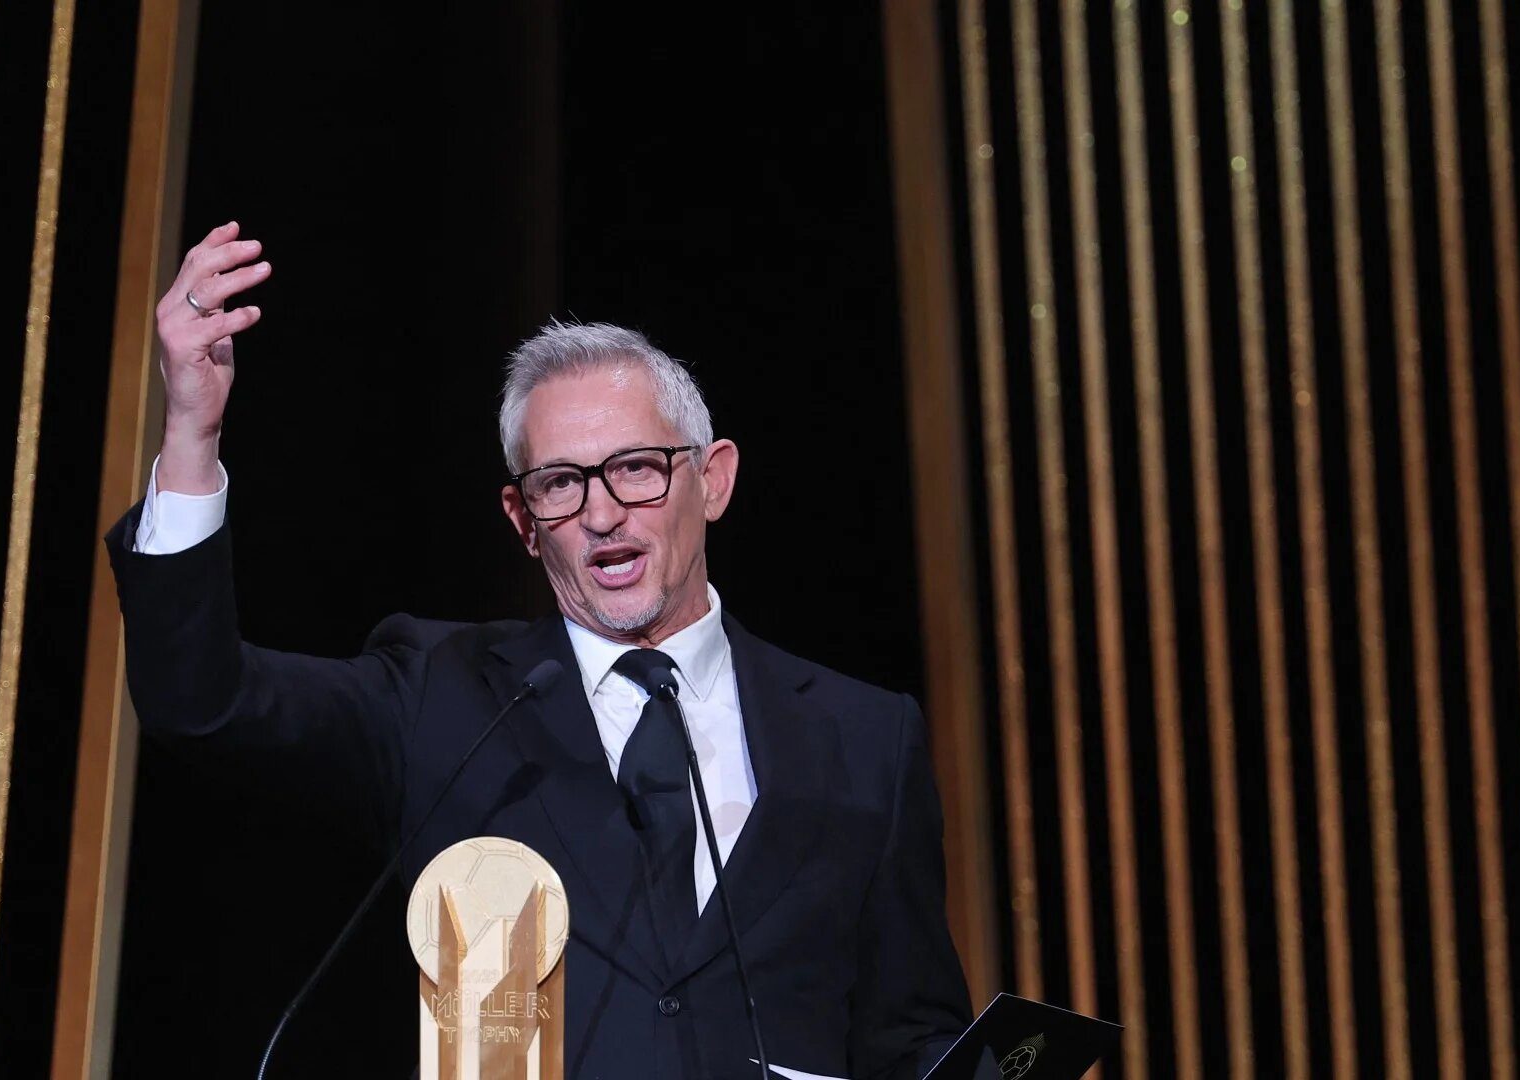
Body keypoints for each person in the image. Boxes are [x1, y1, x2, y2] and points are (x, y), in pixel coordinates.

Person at [105, 222, 972, 1079]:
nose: (601, 514)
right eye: (560, 483)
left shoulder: (868, 738)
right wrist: (191, 431)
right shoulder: (440, 701)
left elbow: (913, 1033)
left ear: (711, 480)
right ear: (523, 522)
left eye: (636, 467)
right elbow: (202, 703)